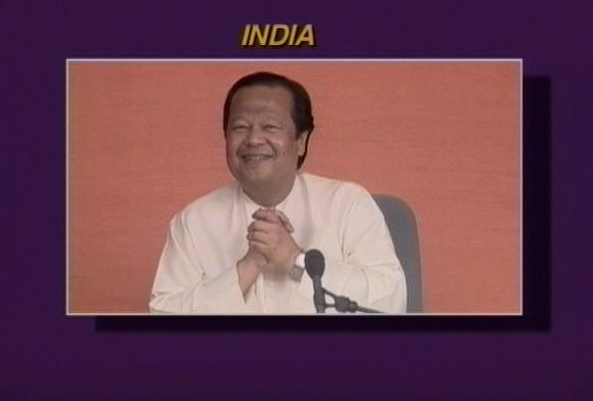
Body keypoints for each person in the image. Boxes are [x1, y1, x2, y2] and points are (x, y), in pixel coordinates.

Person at [149, 71, 407, 313]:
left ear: (301, 141)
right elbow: (163, 315)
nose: (253, 139)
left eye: (270, 127)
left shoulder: (347, 204)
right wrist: (248, 267)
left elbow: (392, 302)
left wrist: (294, 259)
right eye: (240, 127)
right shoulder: (194, 221)